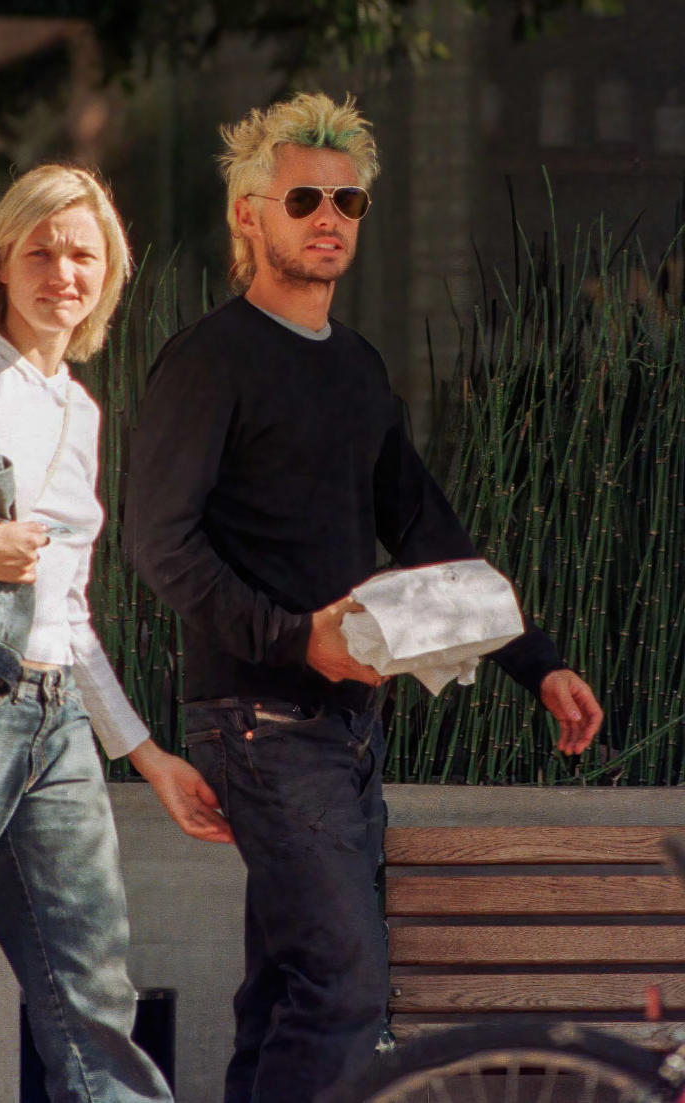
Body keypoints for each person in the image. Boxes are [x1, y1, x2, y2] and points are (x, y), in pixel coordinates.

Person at [124, 93, 603, 1103]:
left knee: (295, 985)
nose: (330, 215)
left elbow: (425, 530)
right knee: (344, 983)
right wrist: (298, 638)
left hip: (348, 729)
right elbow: (157, 542)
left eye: (349, 200)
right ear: (249, 215)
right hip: (256, 721)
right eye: (304, 197)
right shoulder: (210, 360)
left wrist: (539, 659)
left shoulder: (357, 367)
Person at [0, 163, 232, 1103]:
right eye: (43, 250)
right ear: (4, 261)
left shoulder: (82, 409)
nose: (64, 271)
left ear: (111, 273)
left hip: (56, 727)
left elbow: (70, 607)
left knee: (96, 1003)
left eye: (84, 254)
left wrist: (142, 753)